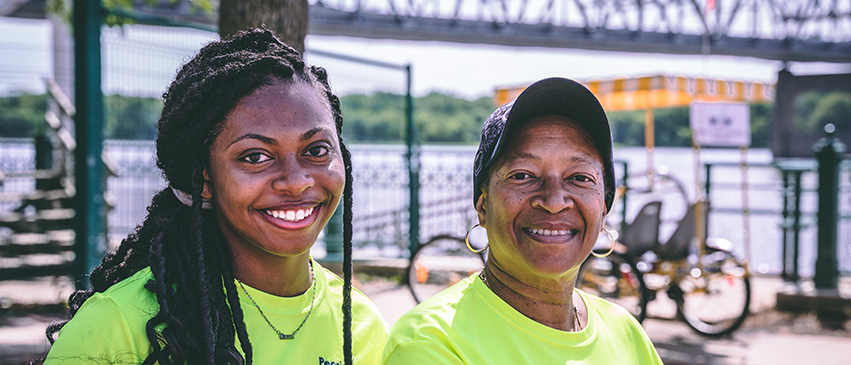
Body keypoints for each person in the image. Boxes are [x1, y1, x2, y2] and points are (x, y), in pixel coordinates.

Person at [43, 28, 387, 364]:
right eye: (255, 156)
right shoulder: (116, 328)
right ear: (204, 179)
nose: (295, 182)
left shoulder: (361, 325)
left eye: (316, 149)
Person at [382, 77, 662, 364]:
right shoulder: (432, 342)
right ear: (483, 206)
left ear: (604, 207)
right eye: (522, 175)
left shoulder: (626, 332)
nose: (554, 201)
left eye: (580, 178)